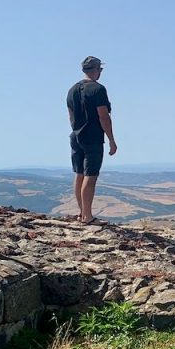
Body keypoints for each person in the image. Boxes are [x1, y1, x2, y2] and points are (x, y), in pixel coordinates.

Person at [67, 56, 117, 223]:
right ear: (96, 70)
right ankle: (87, 217)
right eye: (100, 70)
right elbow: (103, 116)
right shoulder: (98, 89)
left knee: (79, 173)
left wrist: (77, 130)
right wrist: (111, 139)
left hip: (76, 136)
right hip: (93, 137)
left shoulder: (72, 90)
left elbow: (71, 116)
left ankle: (82, 213)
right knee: (91, 175)